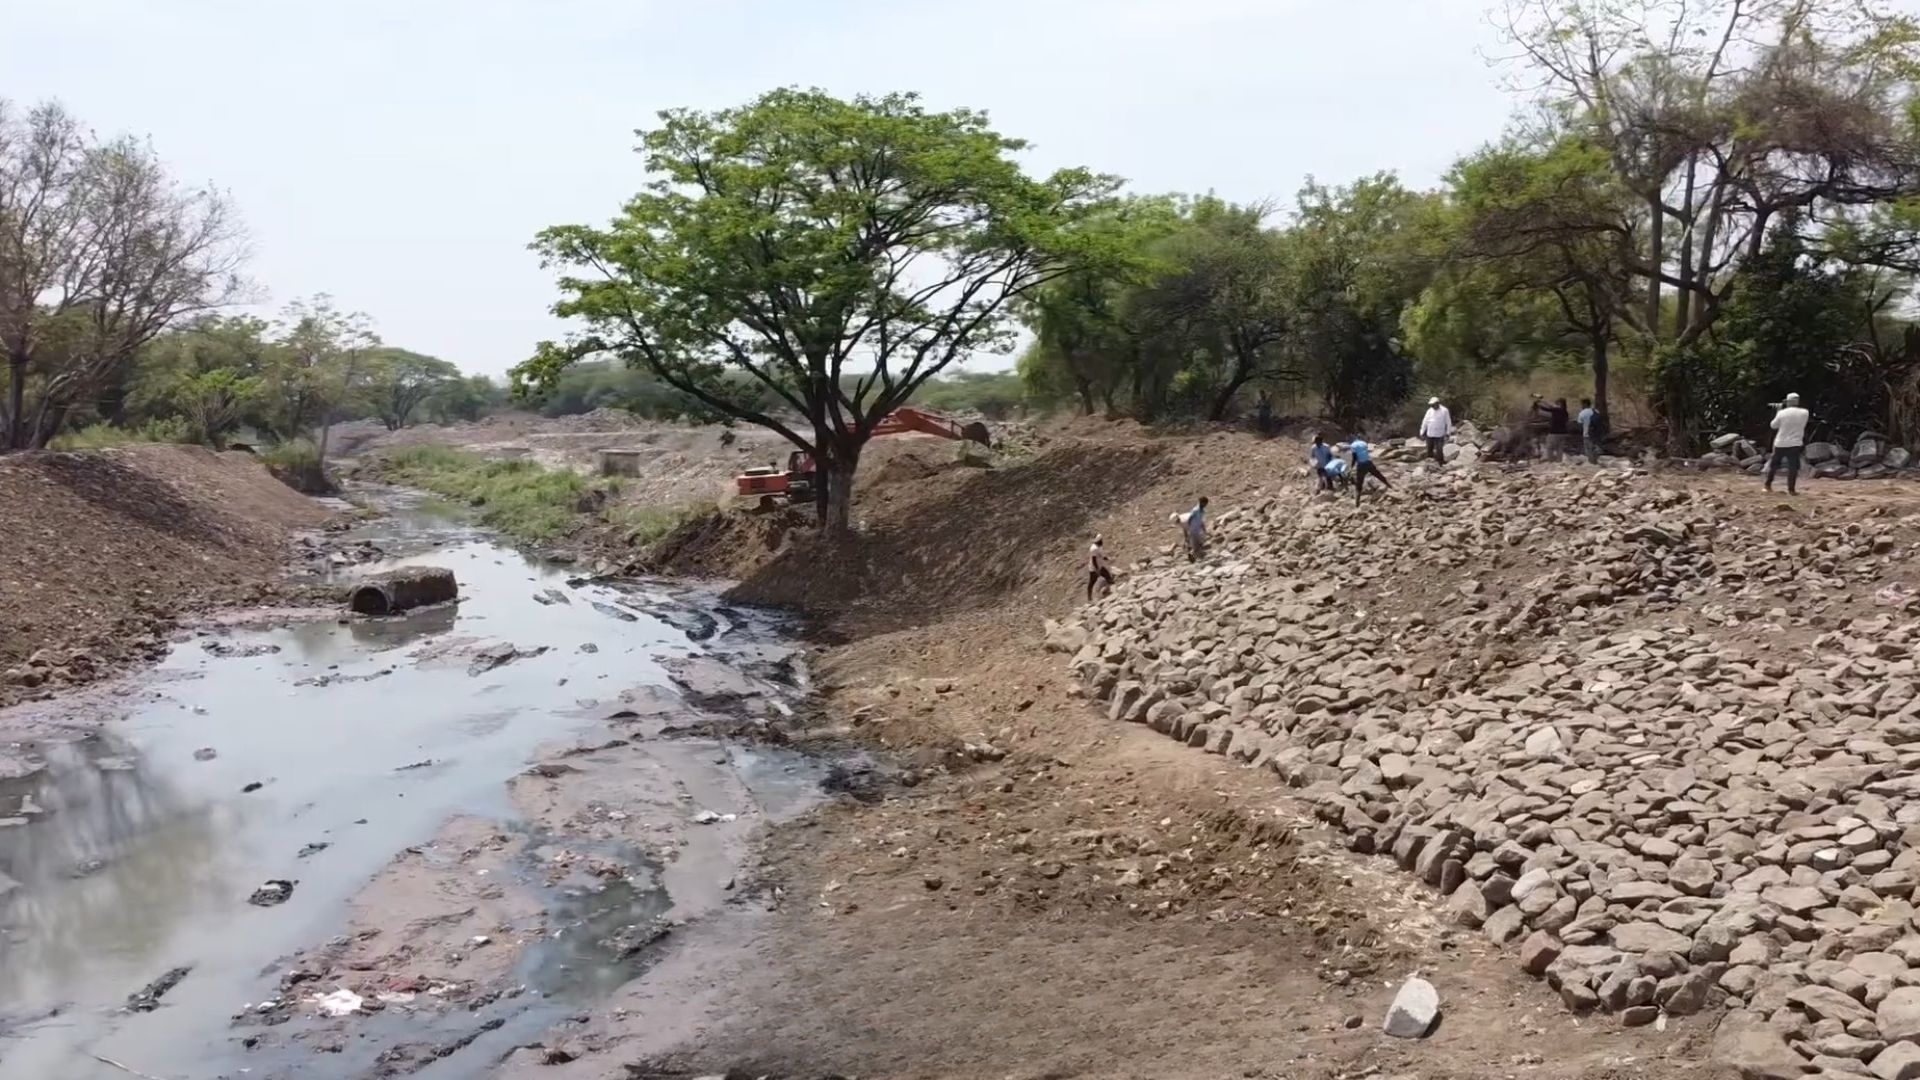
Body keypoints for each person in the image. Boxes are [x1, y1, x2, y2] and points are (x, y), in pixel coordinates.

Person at [1766, 392, 1810, 494]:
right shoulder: (1805, 412)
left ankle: (1768, 484)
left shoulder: (1782, 413)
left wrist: (1778, 411)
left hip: (1780, 442)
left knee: (1774, 465)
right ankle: (1791, 489)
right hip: (1795, 443)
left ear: (1788, 402)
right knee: (1793, 466)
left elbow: (1773, 426)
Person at [1350, 436, 1389, 505]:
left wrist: (1352, 466)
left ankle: (1357, 501)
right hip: (1368, 462)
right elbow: (1365, 452)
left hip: (1361, 465)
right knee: (1378, 474)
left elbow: (1354, 457)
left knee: (1359, 482)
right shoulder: (1364, 443)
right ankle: (1389, 485)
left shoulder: (1353, 445)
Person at [1533, 395, 1572, 462]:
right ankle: (1559, 462)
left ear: (1560, 403)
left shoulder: (1556, 410)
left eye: (1557, 403)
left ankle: (1551, 461)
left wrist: (1539, 404)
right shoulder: (1565, 412)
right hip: (1563, 433)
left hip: (1555, 432)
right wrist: (1542, 400)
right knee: (1559, 448)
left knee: (1549, 447)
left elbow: (1547, 408)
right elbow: (1551, 406)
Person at [1419, 396, 1452, 464]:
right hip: (1430, 433)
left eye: (1433, 404)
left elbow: (1448, 422)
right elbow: (1425, 422)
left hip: (1440, 434)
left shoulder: (1444, 410)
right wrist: (1422, 432)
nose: (1432, 406)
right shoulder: (1429, 411)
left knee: (1439, 450)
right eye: (1431, 405)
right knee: (1429, 449)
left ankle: (1440, 463)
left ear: (1437, 403)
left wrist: (1448, 433)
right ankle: (1429, 464)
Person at [1086, 534, 1114, 601]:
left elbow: (1102, 556)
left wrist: (1108, 559)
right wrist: (1097, 570)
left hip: (1100, 566)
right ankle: (1089, 598)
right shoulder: (1094, 549)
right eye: (1101, 540)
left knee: (1108, 576)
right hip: (1094, 569)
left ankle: (1112, 591)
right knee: (1092, 582)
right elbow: (1094, 560)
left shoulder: (1099, 547)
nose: (1102, 541)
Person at [1181, 496, 1208, 562]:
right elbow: (1190, 518)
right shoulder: (1195, 510)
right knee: (1196, 544)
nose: (1206, 505)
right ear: (1202, 503)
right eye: (1205, 503)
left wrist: (1203, 528)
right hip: (1193, 529)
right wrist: (1189, 528)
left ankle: (1196, 556)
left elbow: (1201, 520)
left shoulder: (1202, 511)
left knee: (1200, 542)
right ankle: (1193, 557)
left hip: (1198, 529)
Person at [1576, 398, 1602, 464]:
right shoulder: (1596, 411)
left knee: (1588, 449)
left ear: (1585, 404)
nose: (1581, 406)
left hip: (1587, 434)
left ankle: (1591, 463)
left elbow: (1579, 424)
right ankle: (1595, 461)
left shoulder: (1582, 413)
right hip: (1596, 434)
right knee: (1594, 448)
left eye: (1582, 404)